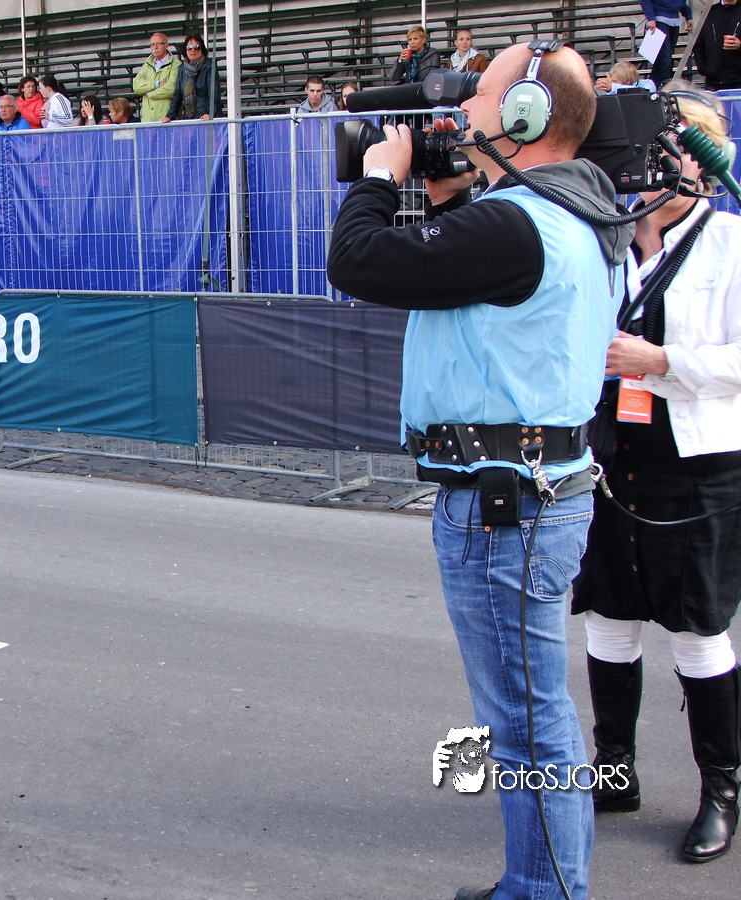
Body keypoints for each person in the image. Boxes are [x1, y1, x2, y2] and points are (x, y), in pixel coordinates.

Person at [326, 41, 633, 900]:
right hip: (534, 495)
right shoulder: (572, 213)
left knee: (527, 725)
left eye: (482, 95)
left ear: (529, 115)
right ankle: (538, 882)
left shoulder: (518, 225)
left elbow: (358, 261)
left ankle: (546, 892)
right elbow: (478, 282)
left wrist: (378, 179)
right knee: (533, 715)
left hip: (506, 508)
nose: (461, 111)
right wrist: (448, 197)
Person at [571, 83, 741, 864]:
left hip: (697, 461)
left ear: (697, 161)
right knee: (609, 617)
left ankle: (721, 793)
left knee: (698, 628)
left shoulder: (730, 243)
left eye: (664, 151)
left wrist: (664, 360)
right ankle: (616, 771)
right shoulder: (607, 239)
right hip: (614, 454)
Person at [163, 33, 222, 122]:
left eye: (196, 47)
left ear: (202, 49)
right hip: (189, 117)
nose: (193, 50)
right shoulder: (182, 68)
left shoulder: (209, 66)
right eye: (189, 48)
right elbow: (177, 95)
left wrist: (210, 113)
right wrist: (169, 116)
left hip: (207, 118)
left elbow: (214, 93)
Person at [641, 2, 694, 88]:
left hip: (674, 20)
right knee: (665, 58)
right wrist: (650, 18)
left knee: (663, 58)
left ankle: (652, 86)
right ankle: (666, 87)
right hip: (659, 19)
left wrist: (688, 16)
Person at [693, 0, 741, 91]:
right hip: (713, 83)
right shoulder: (708, 12)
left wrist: (740, 45)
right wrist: (704, 68)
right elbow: (698, 44)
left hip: (738, 82)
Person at [132, 32, 181, 122]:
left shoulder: (176, 64)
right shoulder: (147, 64)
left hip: (166, 120)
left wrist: (149, 93)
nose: (155, 47)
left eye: (159, 44)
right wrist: (156, 84)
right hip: (147, 120)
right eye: (152, 44)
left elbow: (172, 88)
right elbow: (136, 86)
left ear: (166, 45)